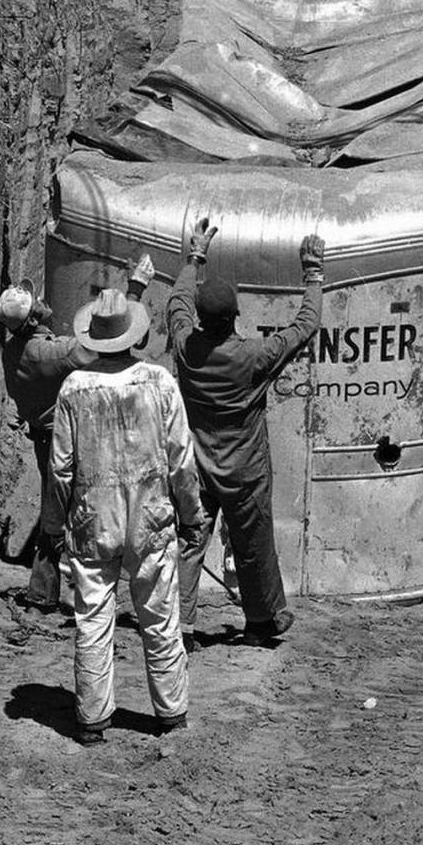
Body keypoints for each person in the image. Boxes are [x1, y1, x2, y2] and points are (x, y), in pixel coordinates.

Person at [44, 287, 204, 745]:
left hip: (93, 519)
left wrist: (55, 525)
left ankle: (93, 718)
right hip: (151, 518)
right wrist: (191, 514)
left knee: (93, 617)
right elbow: (180, 461)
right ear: (134, 334)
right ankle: (171, 712)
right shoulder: (160, 383)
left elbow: (60, 468)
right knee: (160, 615)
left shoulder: (75, 387)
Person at [166, 218, 325, 649]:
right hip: (246, 471)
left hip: (197, 466)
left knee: (191, 541)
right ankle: (261, 621)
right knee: (253, 544)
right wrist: (312, 273)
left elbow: (177, 302)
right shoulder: (253, 357)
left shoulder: (185, 347)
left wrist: (194, 257)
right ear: (235, 316)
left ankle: (180, 627)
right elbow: (304, 326)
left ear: (200, 317)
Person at [0, 255, 154, 611]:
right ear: (33, 318)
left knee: (54, 508)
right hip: (63, 439)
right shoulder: (46, 353)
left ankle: (42, 589)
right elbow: (103, 344)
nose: (43, 301)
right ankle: (78, 588)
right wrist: (136, 289)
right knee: (76, 509)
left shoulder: (16, 350)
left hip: (44, 436)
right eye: (37, 303)